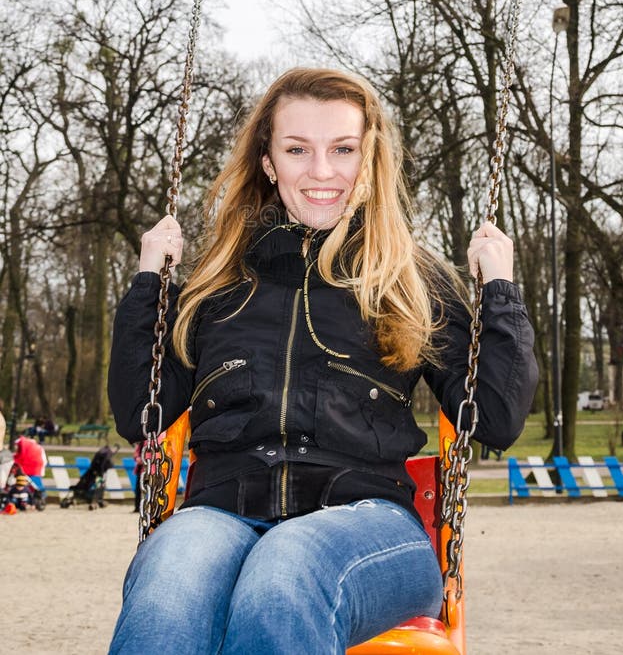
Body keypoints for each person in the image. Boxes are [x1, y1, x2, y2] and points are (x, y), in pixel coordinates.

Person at [108, 67, 538, 655]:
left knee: (284, 570)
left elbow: (493, 418)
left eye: (342, 149)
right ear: (268, 162)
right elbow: (141, 413)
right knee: (168, 581)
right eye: (296, 149)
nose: (321, 172)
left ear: (371, 158)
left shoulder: (409, 278)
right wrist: (149, 284)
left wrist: (500, 292)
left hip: (370, 524)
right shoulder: (217, 283)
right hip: (223, 513)